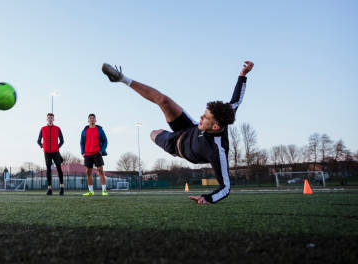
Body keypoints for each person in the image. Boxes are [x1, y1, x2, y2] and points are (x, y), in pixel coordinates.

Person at [101, 61, 254, 204]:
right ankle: (122, 78)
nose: (201, 116)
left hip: (177, 145)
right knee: (163, 100)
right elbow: (236, 100)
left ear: (215, 127)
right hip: (189, 128)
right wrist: (242, 75)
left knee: (154, 133)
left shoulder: (217, 151)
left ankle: (161, 136)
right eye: (204, 113)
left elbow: (226, 188)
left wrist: (208, 198)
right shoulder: (225, 113)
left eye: (206, 117)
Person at [80, 114, 108, 196]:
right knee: (88, 172)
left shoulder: (100, 130)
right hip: (87, 154)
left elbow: (105, 141)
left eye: (93, 118)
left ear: (95, 120)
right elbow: (81, 142)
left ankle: (104, 190)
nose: (92, 120)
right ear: (88, 120)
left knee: (100, 170)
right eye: (90, 118)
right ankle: (91, 191)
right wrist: (83, 152)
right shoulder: (84, 131)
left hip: (97, 153)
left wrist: (101, 151)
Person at [37, 113, 65, 195]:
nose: (50, 119)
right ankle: (49, 189)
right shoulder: (43, 129)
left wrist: (57, 146)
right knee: (48, 169)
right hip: (47, 152)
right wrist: (43, 146)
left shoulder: (57, 128)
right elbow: (38, 141)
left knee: (59, 169)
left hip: (55, 152)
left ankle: (62, 188)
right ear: (47, 119)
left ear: (53, 119)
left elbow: (62, 140)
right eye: (48, 118)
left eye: (51, 118)